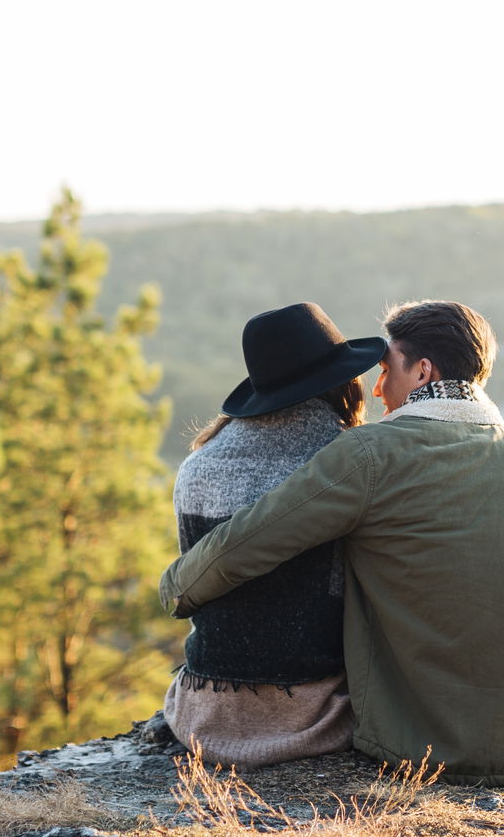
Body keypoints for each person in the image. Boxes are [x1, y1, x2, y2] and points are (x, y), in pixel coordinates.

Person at [159, 299, 504, 786]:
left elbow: (241, 547)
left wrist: (175, 588)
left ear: (421, 371)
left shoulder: (369, 454)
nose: (376, 389)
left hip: (430, 743)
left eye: (385, 369)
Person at [162, 301, 387, 768]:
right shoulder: (349, 459)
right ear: (345, 381)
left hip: (203, 713)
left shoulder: (197, 465)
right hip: (314, 713)